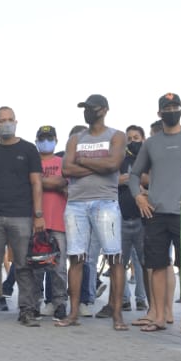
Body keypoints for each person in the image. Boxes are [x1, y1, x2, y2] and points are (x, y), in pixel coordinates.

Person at [57, 95, 128, 330]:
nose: (88, 112)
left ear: (104, 110)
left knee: (114, 257)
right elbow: (67, 168)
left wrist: (83, 159)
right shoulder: (75, 138)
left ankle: (117, 314)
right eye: (85, 108)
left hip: (106, 201)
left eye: (92, 108)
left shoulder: (116, 136)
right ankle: (74, 312)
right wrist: (98, 165)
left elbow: (113, 165)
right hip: (76, 203)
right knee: (75, 257)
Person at [129, 94, 181, 334]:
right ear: (159, 113)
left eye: (175, 106)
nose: (171, 110)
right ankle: (158, 316)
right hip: (156, 214)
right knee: (157, 266)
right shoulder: (151, 143)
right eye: (166, 108)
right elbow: (135, 174)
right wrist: (138, 196)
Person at [0, 107, 44, 327]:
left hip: (22, 216)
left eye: (10, 119)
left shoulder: (29, 149)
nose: (6, 123)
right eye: (2, 120)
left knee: (23, 266)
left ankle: (27, 311)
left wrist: (38, 215)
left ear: (16, 122)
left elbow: (36, 183)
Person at [34, 124, 68, 320]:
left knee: (59, 268)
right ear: (36, 140)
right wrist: (53, 183)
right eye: (42, 138)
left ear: (56, 139)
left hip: (59, 222)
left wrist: (38, 182)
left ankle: (60, 304)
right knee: (35, 268)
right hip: (36, 221)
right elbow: (56, 183)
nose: (45, 141)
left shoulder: (62, 162)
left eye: (49, 137)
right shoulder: (32, 162)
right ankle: (34, 304)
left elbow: (63, 183)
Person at [116, 125, 148, 316]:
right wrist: (122, 179)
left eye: (136, 137)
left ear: (143, 139)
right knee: (120, 261)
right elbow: (113, 180)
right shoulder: (120, 160)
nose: (132, 141)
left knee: (143, 263)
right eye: (129, 138)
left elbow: (151, 180)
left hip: (144, 218)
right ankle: (124, 300)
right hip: (122, 216)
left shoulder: (148, 159)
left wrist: (135, 178)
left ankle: (142, 299)